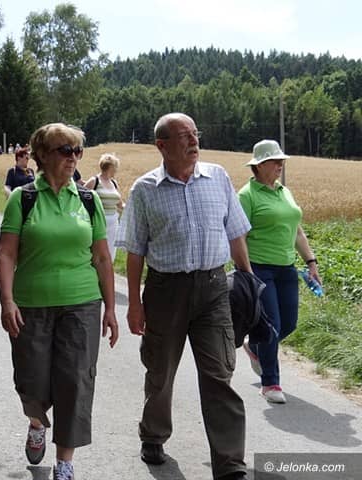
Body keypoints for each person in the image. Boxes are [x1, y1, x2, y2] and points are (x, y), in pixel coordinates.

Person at [116, 113, 251, 480]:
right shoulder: (145, 189)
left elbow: (236, 233)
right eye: (184, 136)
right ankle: (153, 434)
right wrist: (135, 304)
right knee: (160, 372)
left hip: (214, 289)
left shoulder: (218, 177)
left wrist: (249, 280)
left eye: (195, 133)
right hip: (165, 291)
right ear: (162, 146)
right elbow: (135, 252)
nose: (194, 141)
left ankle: (230, 464)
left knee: (219, 375)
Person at [0, 123, 119, 480]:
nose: (73, 157)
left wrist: (111, 308)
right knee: (32, 379)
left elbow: (102, 258)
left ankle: (65, 463)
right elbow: (6, 254)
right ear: (43, 155)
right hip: (31, 304)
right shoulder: (23, 199)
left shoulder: (88, 200)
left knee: (76, 380)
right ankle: (37, 422)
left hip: (82, 303)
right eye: (65, 150)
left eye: (77, 150)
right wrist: (7, 301)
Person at [238, 139, 322, 404]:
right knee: (272, 325)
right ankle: (270, 383)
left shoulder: (285, 192)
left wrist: (311, 262)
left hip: (286, 268)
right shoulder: (247, 196)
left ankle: (255, 345)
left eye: (281, 161)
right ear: (260, 165)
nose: (280, 165)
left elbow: (297, 231)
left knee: (289, 323)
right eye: (275, 161)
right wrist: (246, 272)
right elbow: (238, 237)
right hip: (259, 268)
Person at [84, 153, 124, 261]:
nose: (116, 170)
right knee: (97, 251)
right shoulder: (94, 181)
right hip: (98, 222)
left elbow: (120, 204)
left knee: (110, 251)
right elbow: (81, 198)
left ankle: (108, 270)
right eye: (115, 167)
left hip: (113, 224)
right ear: (111, 167)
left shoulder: (114, 183)